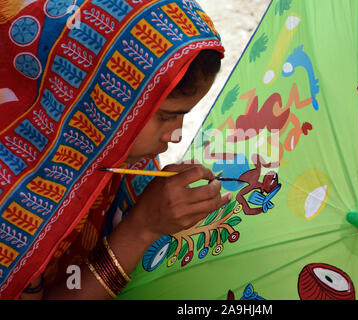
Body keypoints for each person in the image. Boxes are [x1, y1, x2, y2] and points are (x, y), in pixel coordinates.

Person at [0, 0, 228, 299]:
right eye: (166, 116)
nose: (175, 136)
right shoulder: (13, 203)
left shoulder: (103, 149)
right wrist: (141, 229)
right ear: (96, 97)